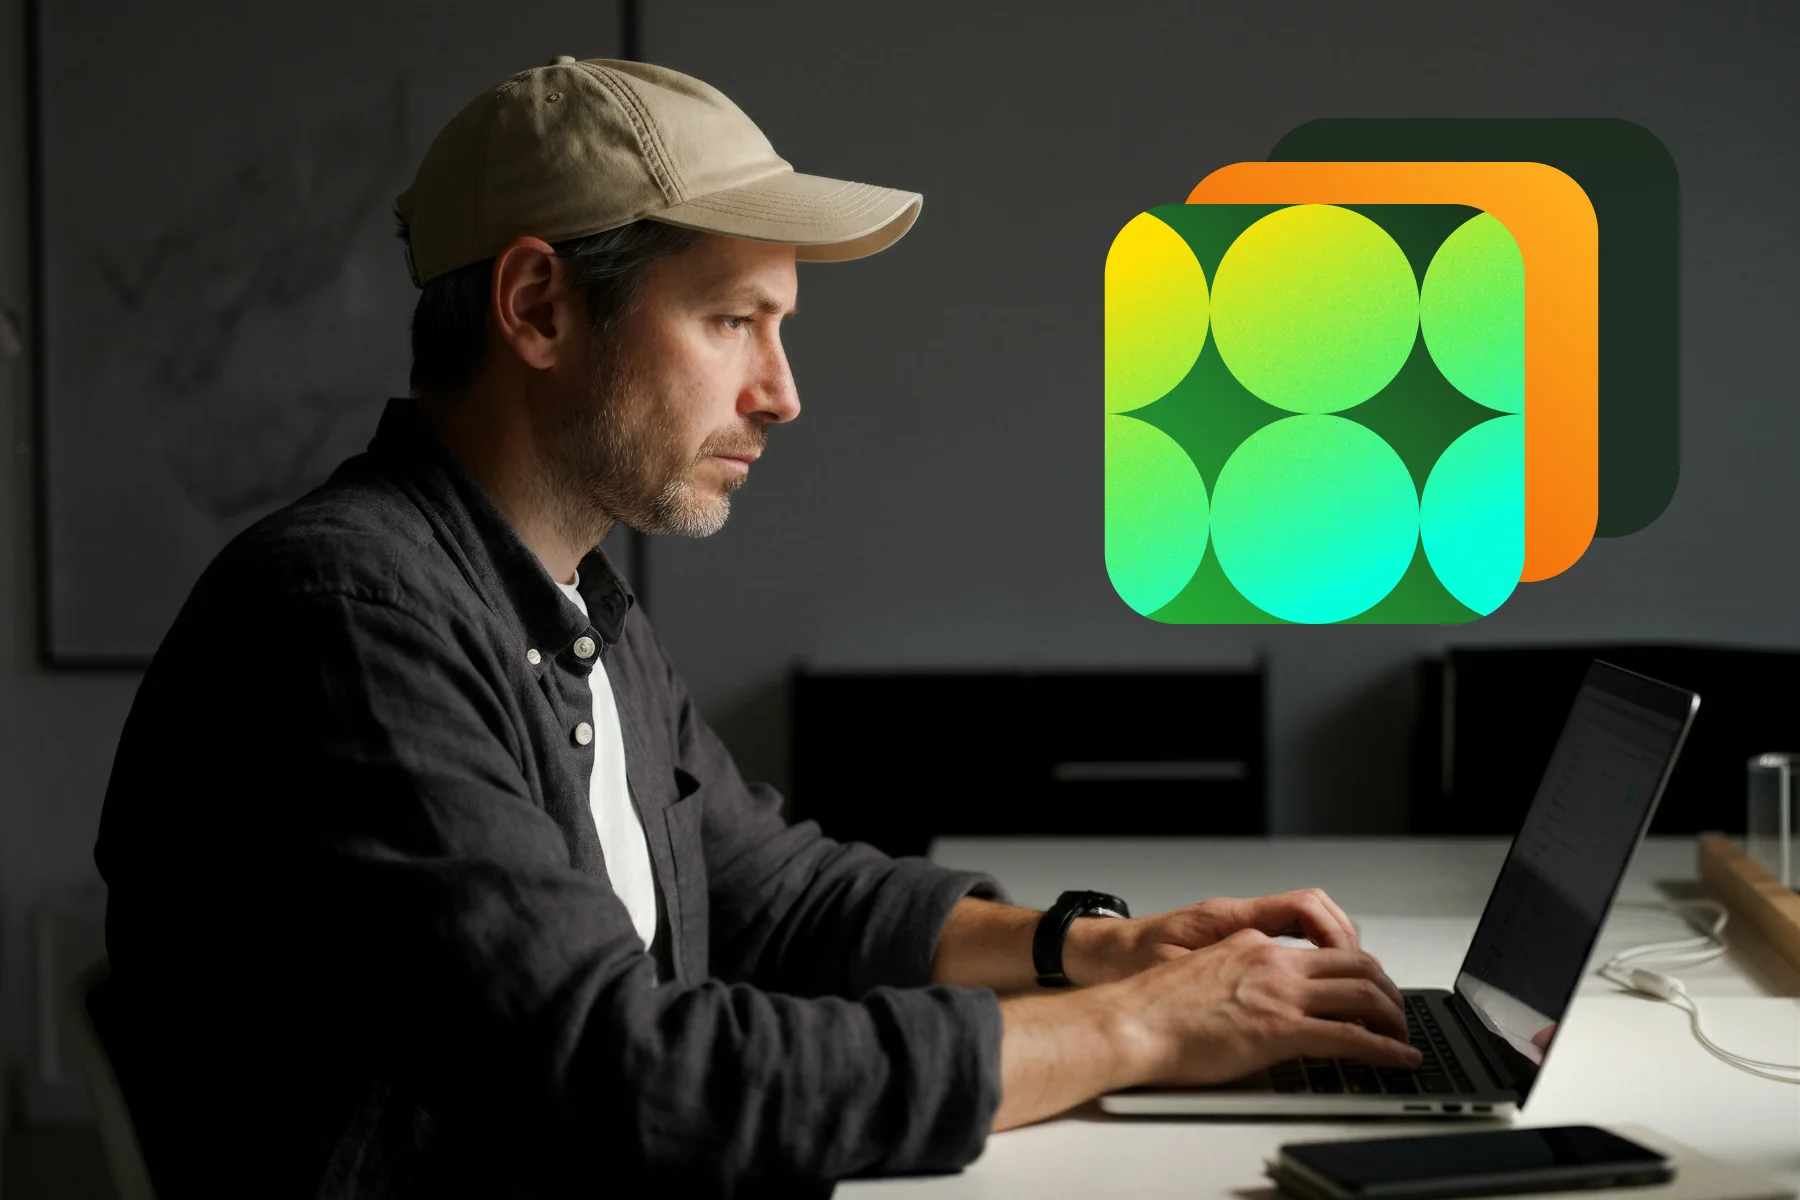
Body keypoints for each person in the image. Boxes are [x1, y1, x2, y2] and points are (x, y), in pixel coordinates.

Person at [93, 57, 1420, 1198]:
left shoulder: (570, 603)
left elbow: (774, 891)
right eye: (733, 321)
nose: (781, 394)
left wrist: (1096, 949)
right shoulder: (349, 621)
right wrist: (1135, 1031)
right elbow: (636, 1074)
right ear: (538, 307)